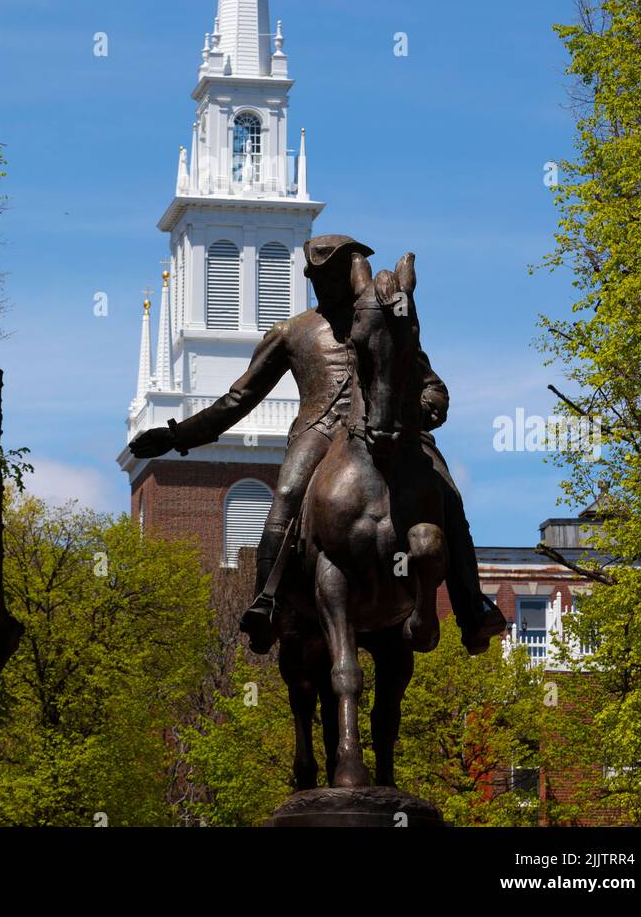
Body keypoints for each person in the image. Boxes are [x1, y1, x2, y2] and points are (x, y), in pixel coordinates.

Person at [130, 234, 505, 655]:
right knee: (287, 495)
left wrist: (421, 410)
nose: (320, 285)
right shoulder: (292, 332)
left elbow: (432, 385)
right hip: (320, 432)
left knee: (447, 494)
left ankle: (472, 608)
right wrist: (179, 436)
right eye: (314, 277)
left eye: (329, 276)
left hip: (391, 430)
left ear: (351, 271)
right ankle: (266, 603)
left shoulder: (385, 319)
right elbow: (238, 400)